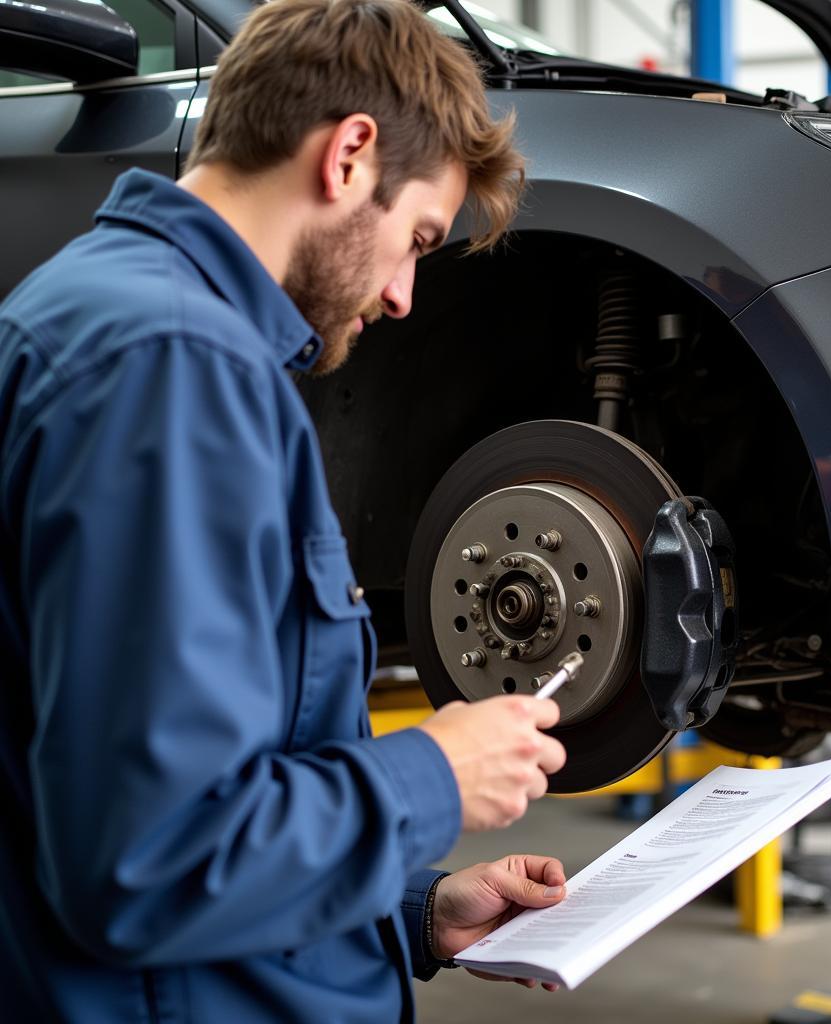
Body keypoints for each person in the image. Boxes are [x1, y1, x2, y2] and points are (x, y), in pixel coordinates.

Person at [0, 1, 569, 1020]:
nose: (402, 295)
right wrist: (433, 774)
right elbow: (145, 863)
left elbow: (188, 785)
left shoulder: (95, 311)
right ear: (349, 154)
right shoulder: (170, 368)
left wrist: (412, 908)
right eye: (416, 238)